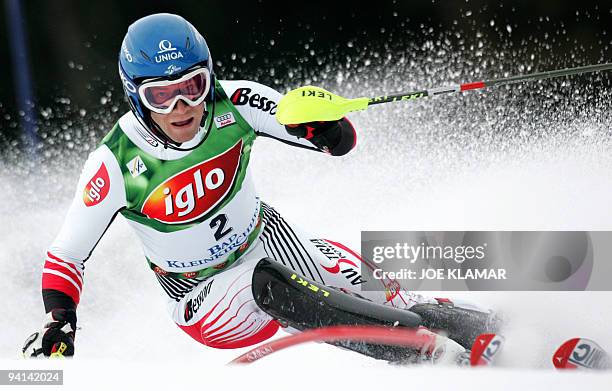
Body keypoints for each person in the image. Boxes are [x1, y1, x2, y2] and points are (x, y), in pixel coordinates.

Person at [23, 13, 495, 363]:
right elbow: (66, 254)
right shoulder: (117, 161)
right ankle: (419, 353)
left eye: (194, 84)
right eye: (161, 95)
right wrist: (59, 322)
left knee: (369, 285)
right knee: (267, 285)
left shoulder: (236, 99)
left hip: (267, 238)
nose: (183, 105)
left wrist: (324, 126)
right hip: (200, 291)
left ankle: (487, 331)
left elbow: (341, 142)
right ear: (136, 96)